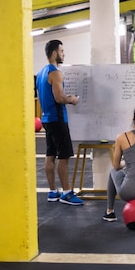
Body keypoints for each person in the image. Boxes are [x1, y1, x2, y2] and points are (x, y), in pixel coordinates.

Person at [36, 40, 84, 205]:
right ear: (55, 53)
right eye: (62, 51)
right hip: (57, 120)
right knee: (63, 157)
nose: (64, 54)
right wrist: (72, 99)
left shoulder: (42, 72)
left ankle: (53, 191)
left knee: (50, 155)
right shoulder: (55, 73)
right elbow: (59, 97)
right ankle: (67, 193)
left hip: (47, 120)